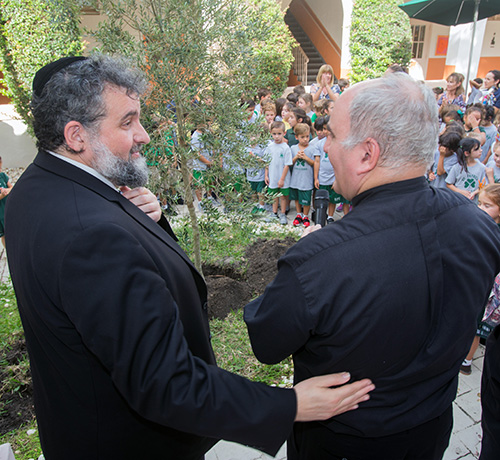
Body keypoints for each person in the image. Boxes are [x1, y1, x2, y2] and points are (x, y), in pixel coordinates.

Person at [5, 55, 375, 460]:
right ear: (76, 136)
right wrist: (291, 405)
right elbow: (164, 383)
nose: (143, 135)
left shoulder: (32, 191)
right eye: (127, 122)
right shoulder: (93, 233)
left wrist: (146, 217)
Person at [244, 73, 500, 460]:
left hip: (343, 443)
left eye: (331, 135)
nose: (325, 148)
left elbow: (266, 342)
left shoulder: (320, 262)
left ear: (367, 153)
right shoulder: (479, 225)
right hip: (430, 431)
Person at [461, 184, 500, 375]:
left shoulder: (494, 232)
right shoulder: (481, 224)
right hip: (474, 283)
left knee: (475, 327)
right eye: (480, 204)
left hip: (487, 290)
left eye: (487, 205)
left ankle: (466, 361)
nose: (480, 208)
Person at [264, 121, 292, 225]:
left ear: (284, 133)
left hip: (283, 178)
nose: (277, 136)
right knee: (274, 195)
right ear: (271, 133)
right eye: (274, 134)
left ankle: (283, 213)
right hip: (273, 176)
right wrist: (266, 175)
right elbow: (267, 161)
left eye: (279, 134)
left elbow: (287, 164)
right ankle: (274, 213)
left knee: (283, 196)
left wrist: (282, 179)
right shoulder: (270, 147)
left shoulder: (285, 148)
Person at [289, 123, 315, 228]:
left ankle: (305, 216)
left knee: (306, 199)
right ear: (296, 137)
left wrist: (306, 158)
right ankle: (298, 215)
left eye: (307, 136)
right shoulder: (293, 148)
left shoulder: (312, 148)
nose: (305, 139)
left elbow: (314, 163)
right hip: (296, 179)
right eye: (302, 137)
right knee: (297, 197)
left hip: (306, 179)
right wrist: (296, 157)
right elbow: (289, 163)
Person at [446, 137, 486, 203]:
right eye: (476, 149)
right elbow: (449, 184)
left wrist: (474, 193)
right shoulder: (457, 167)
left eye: (480, 148)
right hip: (458, 201)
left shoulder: (482, 168)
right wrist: (460, 191)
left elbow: (483, 186)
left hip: (473, 202)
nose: (481, 150)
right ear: (467, 153)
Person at [0, 156, 13, 247]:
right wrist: (2, 195)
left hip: (7, 207)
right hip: (0, 212)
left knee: (10, 228)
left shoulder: (3, 176)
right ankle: (7, 249)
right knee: (3, 234)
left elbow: (11, 187)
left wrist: (7, 191)